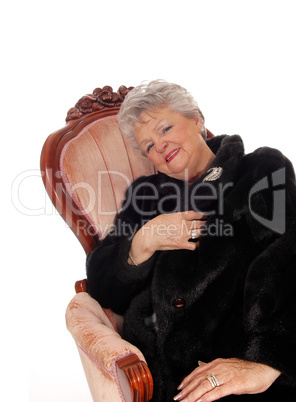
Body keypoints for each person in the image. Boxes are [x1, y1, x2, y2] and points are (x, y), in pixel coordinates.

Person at [86, 80, 296, 401]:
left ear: (196, 119)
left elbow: (289, 259)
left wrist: (270, 362)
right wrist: (143, 241)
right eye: (148, 147)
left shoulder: (260, 170)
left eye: (166, 128)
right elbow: (102, 287)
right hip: (165, 370)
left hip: (245, 355)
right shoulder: (144, 196)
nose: (160, 147)